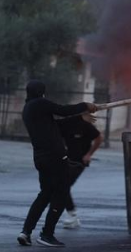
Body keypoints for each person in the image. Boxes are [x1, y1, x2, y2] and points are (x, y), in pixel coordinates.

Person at [17, 80, 97, 247]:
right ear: (41, 92)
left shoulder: (29, 109)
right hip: (55, 157)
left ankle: (26, 232)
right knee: (60, 194)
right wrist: (85, 105)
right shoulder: (40, 103)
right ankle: (47, 234)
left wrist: (81, 117)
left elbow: (58, 123)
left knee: (45, 194)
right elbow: (63, 111)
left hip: (41, 158)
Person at [57, 114, 103, 229]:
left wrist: (89, 154)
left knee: (64, 185)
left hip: (80, 162)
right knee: (60, 186)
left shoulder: (85, 125)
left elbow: (99, 138)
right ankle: (71, 214)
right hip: (67, 160)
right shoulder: (64, 125)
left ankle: (72, 214)